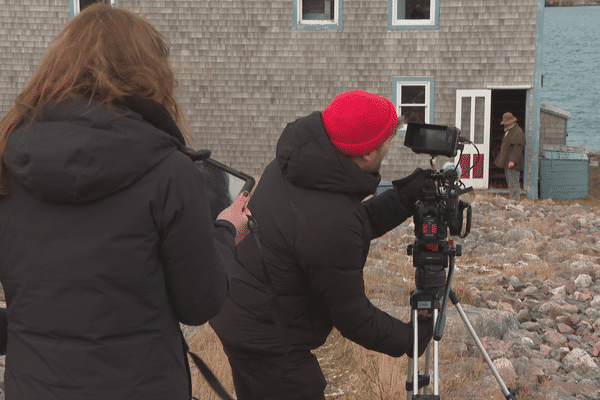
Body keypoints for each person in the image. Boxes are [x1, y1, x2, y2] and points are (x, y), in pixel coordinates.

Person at [0, 4, 250, 399]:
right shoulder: (169, 170)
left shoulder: (6, 161)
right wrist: (226, 230)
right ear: (148, 76)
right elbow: (199, 302)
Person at [210, 90, 434, 400]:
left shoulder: (302, 165)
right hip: (264, 334)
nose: (389, 148)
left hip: (240, 307)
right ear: (367, 154)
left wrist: (403, 198)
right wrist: (410, 338)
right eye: (387, 143)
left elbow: (339, 230)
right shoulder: (332, 216)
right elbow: (352, 316)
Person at [495, 112, 526, 201]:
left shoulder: (518, 132)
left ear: (510, 122)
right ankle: (513, 199)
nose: (505, 124)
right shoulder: (509, 131)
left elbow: (518, 148)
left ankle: (515, 201)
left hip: (513, 163)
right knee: (510, 182)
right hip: (507, 161)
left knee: (513, 183)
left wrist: (512, 161)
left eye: (506, 123)